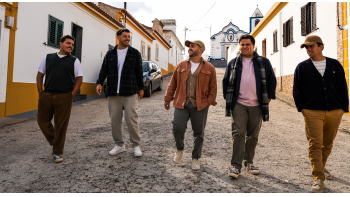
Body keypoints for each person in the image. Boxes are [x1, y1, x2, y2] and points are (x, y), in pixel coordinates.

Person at [293, 35, 349, 193]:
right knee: (315, 144)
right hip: (312, 112)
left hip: (334, 111)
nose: (308, 49)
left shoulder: (334, 65)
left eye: (311, 46)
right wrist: (302, 109)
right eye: (306, 47)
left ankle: (321, 167)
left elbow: (342, 87)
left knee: (327, 144)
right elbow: (297, 90)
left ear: (321, 46)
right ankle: (318, 177)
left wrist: (343, 108)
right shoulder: (302, 67)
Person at [223, 34, 276, 178]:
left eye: (247, 44)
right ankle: (236, 166)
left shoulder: (263, 62)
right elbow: (226, 81)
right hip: (239, 104)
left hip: (257, 105)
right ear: (239, 46)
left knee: (253, 135)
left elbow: (271, 80)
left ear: (253, 45)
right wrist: (229, 100)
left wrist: (268, 98)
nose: (245, 47)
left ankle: (248, 162)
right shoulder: (233, 63)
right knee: (239, 133)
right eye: (242, 44)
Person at [164, 40, 217, 170]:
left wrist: (209, 102)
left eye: (193, 46)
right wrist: (167, 98)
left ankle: (195, 158)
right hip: (182, 102)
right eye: (189, 46)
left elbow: (213, 87)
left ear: (201, 50)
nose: (189, 48)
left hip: (200, 105)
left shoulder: (209, 68)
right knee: (177, 126)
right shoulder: (181, 65)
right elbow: (173, 84)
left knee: (199, 133)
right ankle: (179, 149)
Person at [96, 28, 144, 157]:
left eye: (129, 37)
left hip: (130, 91)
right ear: (118, 37)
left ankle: (136, 145)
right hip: (113, 92)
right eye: (125, 36)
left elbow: (139, 72)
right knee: (115, 120)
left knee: (131, 118)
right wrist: (99, 82)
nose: (127, 38)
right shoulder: (110, 54)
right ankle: (119, 145)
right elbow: (103, 69)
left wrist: (141, 88)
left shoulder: (135, 53)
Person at [36, 35, 83, 163]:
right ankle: (55, 142)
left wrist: (72, 94)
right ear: (60, 44)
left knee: (61, 125)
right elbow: (40, 74)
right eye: (68, 43)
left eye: (72, 44)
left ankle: (57, 152)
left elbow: (79, 79)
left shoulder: (74, 60)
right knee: (41, 120)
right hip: (47, 95)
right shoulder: (48, 58)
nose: (70, 46)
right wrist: (40, 92)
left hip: (64, 96)